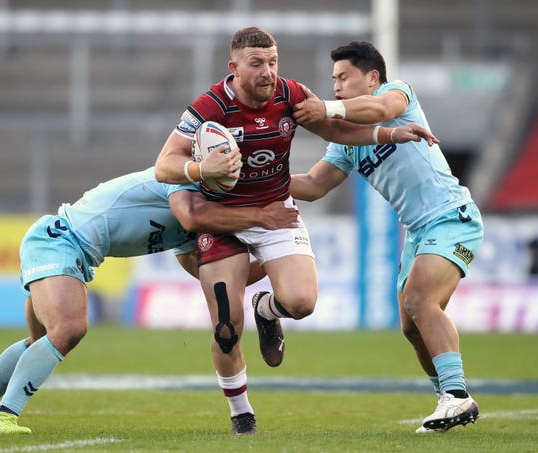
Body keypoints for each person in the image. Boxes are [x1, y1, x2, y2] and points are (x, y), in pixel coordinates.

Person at [154, 27, 438, 435]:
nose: (268, 71)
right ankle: (242, 414)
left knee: (302, 302)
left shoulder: (291, 95)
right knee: (226, 327)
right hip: (226, 218)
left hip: (277, 213)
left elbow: (338, 133)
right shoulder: (209, 106)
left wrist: (392, 132)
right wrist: (201, 170)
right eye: (257, 64)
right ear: (234, 68)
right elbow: (166, 164)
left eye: (272, 62)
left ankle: (267, 310)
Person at [0, 166, 300, 434]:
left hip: (74, 253)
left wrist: (274, 260)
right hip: (59, 241)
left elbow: (201, 268)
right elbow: (193, 207)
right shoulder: (182, 187)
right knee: (68, 329)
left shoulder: (196, 216)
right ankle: (4, 416)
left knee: (42, 342)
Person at [291, 40, 484, 433]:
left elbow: (380, 110)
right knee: (412, 328)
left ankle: (458, 396)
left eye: (344, 77)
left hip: (451, 217)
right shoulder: (348, 139)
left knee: (420, 299)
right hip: (417, 232)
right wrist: (256, 179)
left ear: (372, 77)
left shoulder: (398, 95)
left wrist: (326, 109)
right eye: (333, 81)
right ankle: (448, 398)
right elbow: (313, 185)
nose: (337, 86)